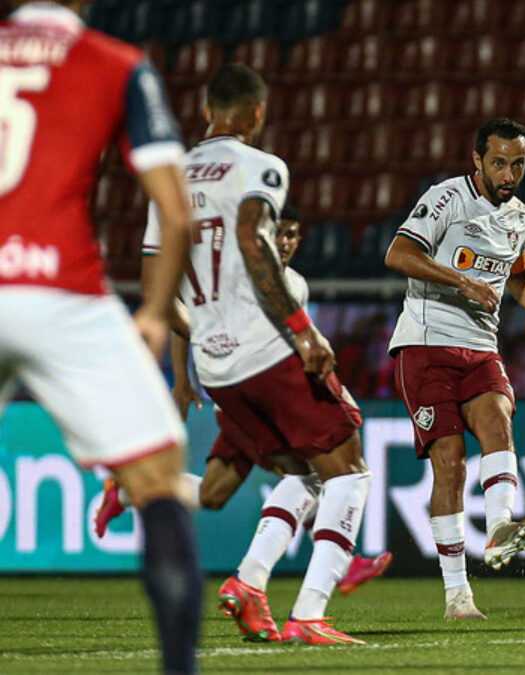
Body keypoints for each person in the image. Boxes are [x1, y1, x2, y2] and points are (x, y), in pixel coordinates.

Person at [0, 1, 201, 672]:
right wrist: (152, 310)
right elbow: (175, 214)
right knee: (159, 483)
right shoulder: (116, 65)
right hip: (62, 290)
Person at [141, 63, 371, 646]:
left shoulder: (168, 176)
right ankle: (311, 615)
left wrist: (202, 343)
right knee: (349, 472)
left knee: (301, 470)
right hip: (266, 351)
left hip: (218, 368)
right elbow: (252, 242)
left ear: (206, 109)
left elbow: (155, 290)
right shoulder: (259, 167)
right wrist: (303, 330)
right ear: (258, 113)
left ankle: (248, 583)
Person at [97, 206, 393, 600]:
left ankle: (131, 490)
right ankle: (296, 572)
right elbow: (187, 315)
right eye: (279, 234)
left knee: (214, 494)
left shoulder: (295, 285)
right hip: (245, 392)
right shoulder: (235, 275)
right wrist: (184, 380)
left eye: (292, 235)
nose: (285, 242)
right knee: (309, 471)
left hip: (266, 390)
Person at [385, 118, 525, 619]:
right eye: (499, 162)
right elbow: (399, 253)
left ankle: (498, 531)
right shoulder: (447, 198)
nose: (509, 173)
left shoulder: (521, 217)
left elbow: (519, 274)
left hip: (480, 348)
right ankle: (457, 595)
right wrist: (461, 283)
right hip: (426, 345)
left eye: (518, 163)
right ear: (477, 160)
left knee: (499, 423)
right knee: (449, 463)